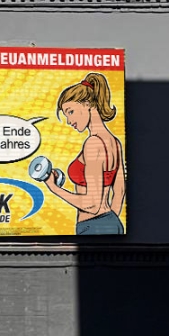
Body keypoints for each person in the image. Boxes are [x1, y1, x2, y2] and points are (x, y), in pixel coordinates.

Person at [43, 72, 125, 235]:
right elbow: (120, 190)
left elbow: (92, 205)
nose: (69, 120)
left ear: (87, 104)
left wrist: (54, 188)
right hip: (111, 222)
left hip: (92, 226)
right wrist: (110, 222)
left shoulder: (93, 144)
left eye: (70, 111)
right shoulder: (114, 142)